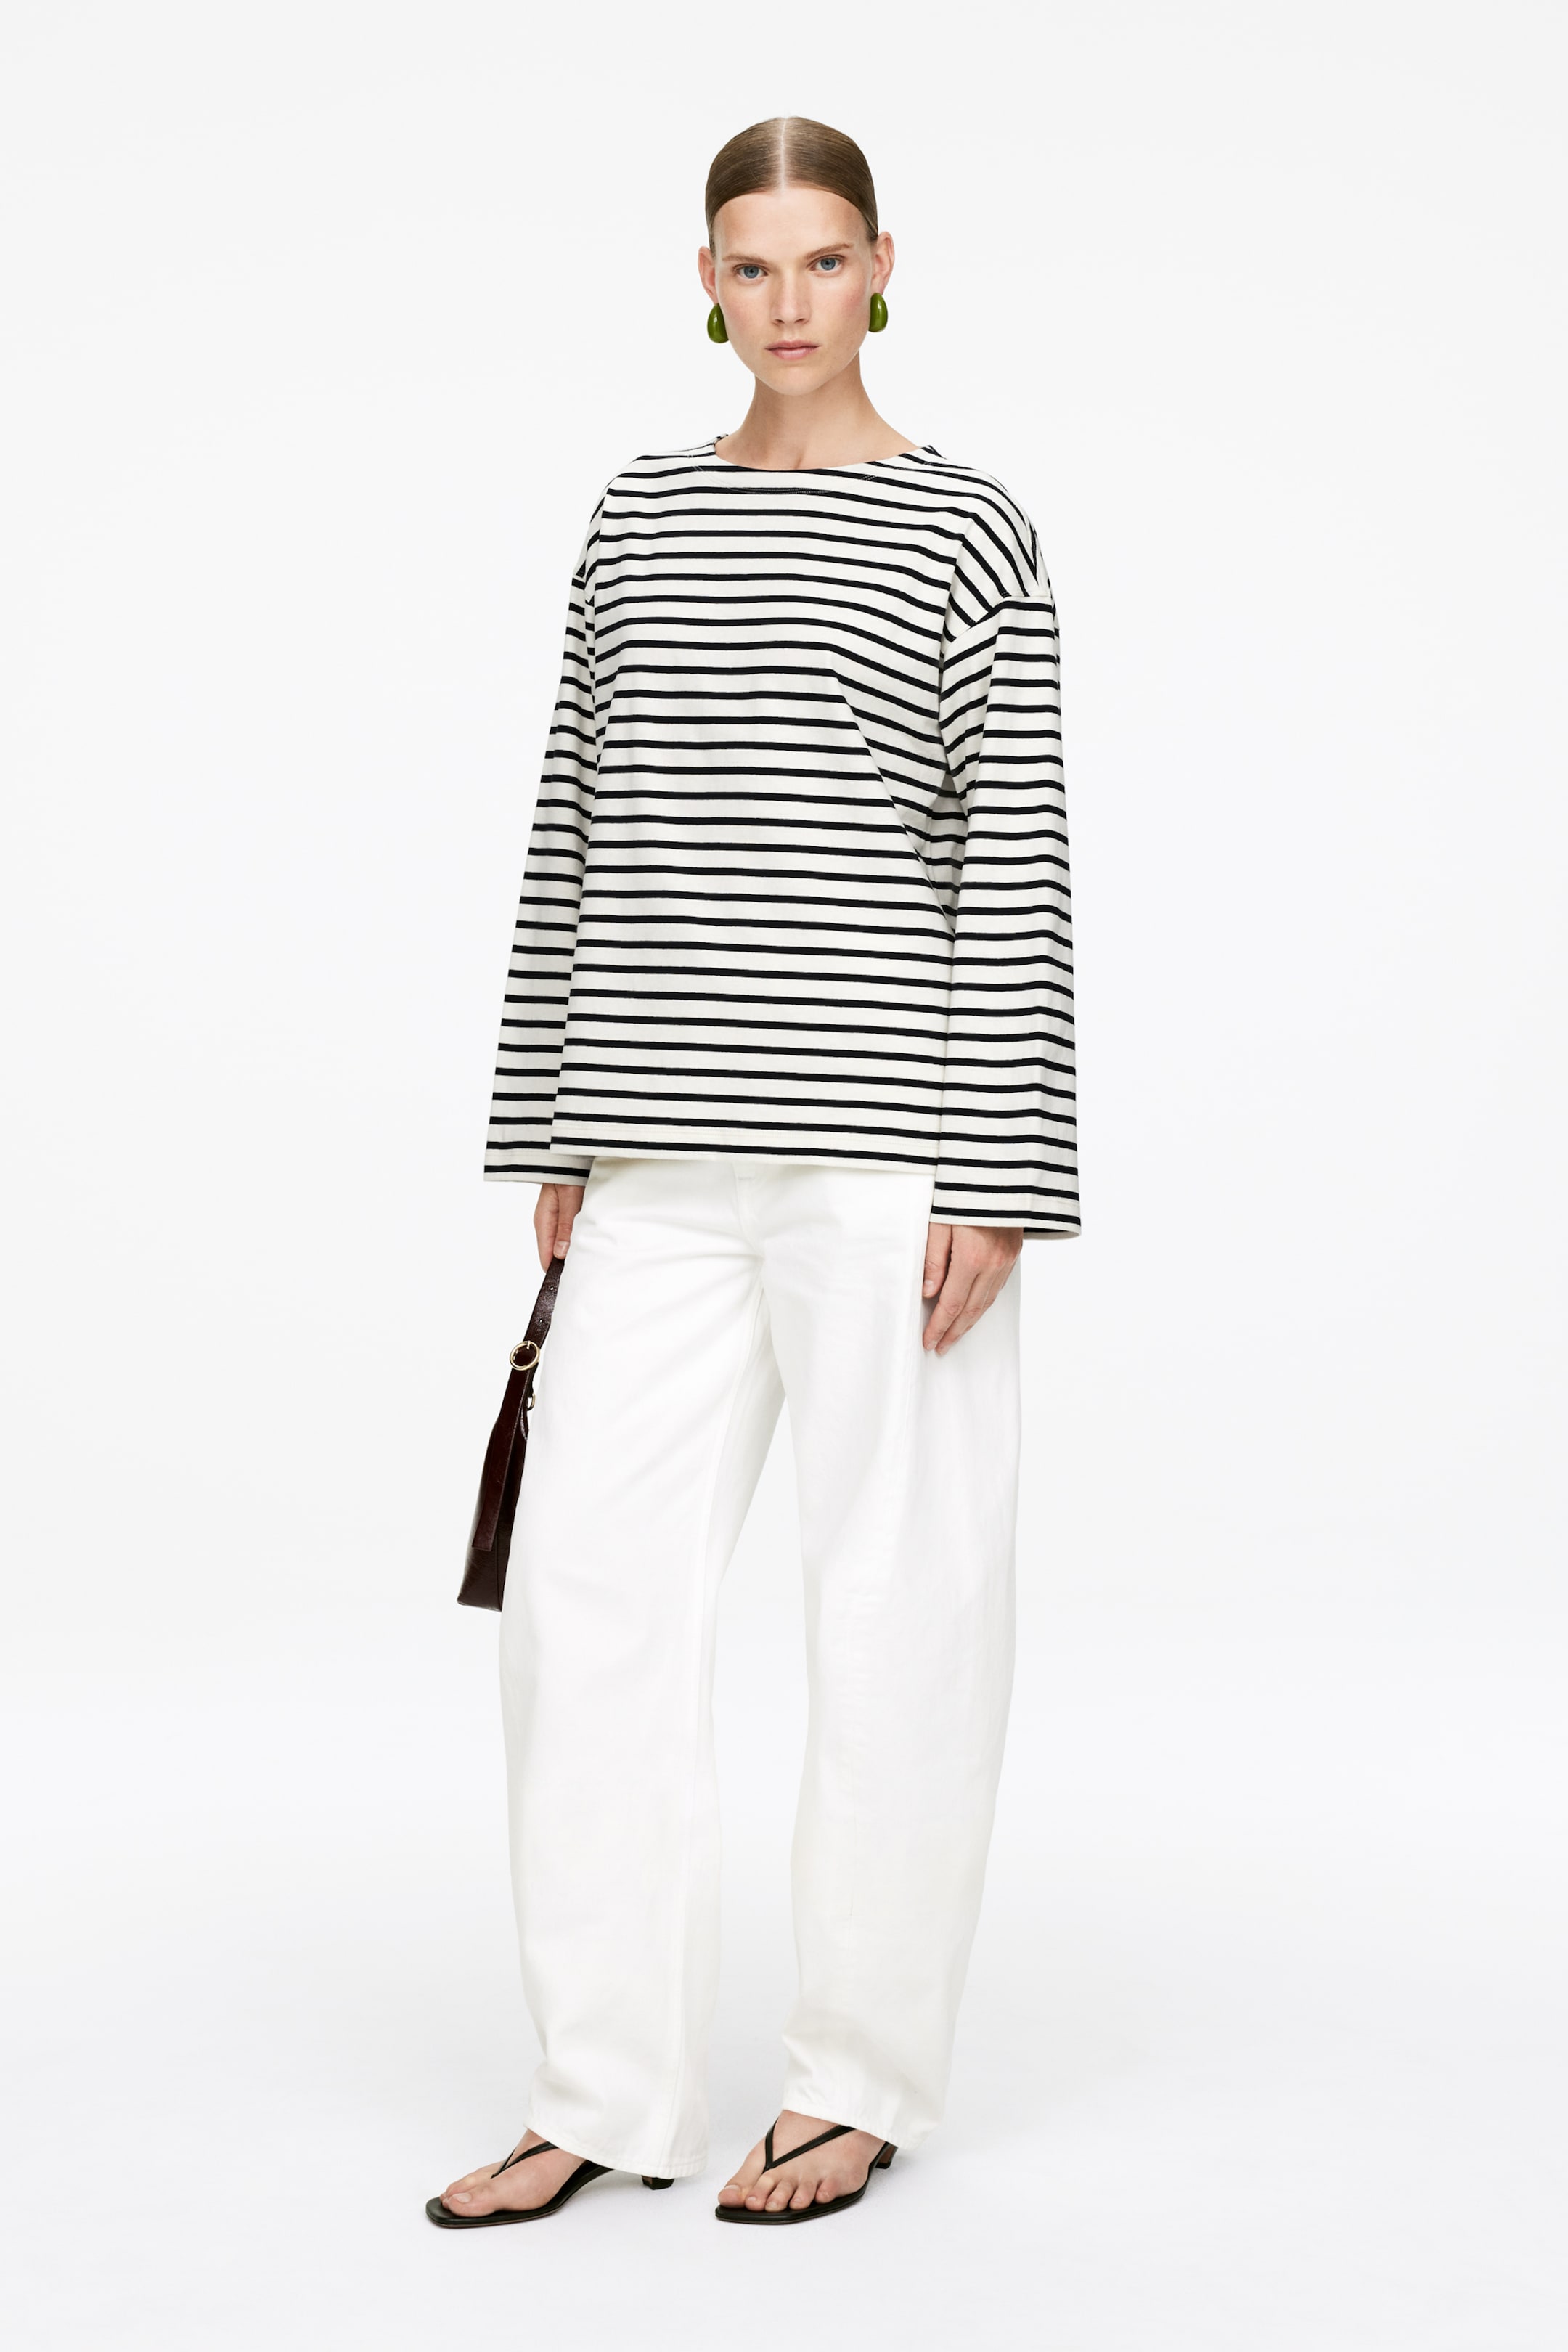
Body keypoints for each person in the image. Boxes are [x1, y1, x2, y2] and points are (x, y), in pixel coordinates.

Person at [428, 113, 1077, 2231]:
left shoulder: (970, 525)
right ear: (704, 282)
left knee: (902, 1611)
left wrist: (1004, 1168)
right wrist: (553, 1125)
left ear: (881, 265)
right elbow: (575, 818)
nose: (788, 300)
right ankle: (602, 2089)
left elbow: (1015, 855)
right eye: (749, 263)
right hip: (654, 1157)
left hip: (896, 1160)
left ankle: (856, 2083)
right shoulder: (635, 517)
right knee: (585, 1612)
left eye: (821, 259)